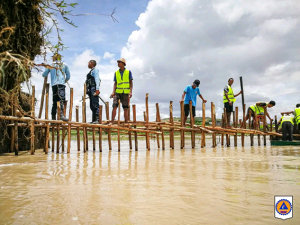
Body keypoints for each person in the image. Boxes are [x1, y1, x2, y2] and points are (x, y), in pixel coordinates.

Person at [42, 53, 70, 121]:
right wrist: (64, 81)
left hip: (54, 85)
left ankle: (53, 118)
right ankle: (61, 115)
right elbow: (68, 76)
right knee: (61, 99)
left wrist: (47, 68)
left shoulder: (51, 65)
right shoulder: (64, 65)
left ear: (53, 58)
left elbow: (44, 74)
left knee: (55, 101)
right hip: (61, 84)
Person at [110, 58, 133, 124]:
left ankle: (126, 122)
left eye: (119, 62)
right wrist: (113, 92)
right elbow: (115, 83)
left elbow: (130, 82)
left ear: (123, 64)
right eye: (118, 62)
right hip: (117, 92)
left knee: (125, 108)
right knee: (114, 106)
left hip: (125, 92)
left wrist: (130, 91)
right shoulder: (116, 72)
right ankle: (112, 121)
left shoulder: (128, 72)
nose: (118, 64)